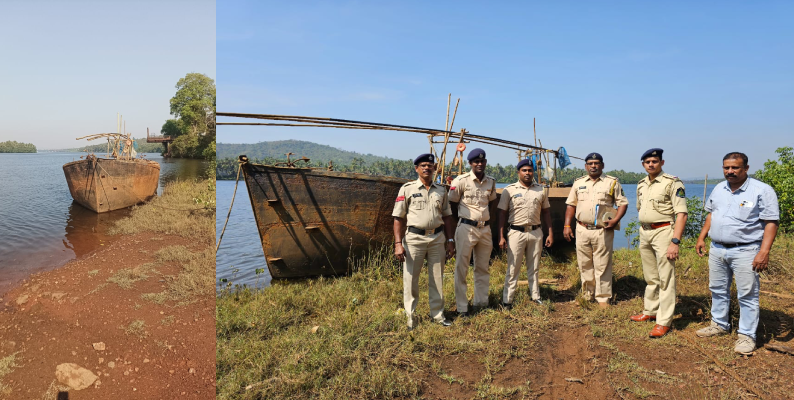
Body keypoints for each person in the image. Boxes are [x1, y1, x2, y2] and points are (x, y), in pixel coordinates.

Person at [695, 152, 779, 355]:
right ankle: (719, 324)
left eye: (735, 168)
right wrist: (701, 237)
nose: (730, 171)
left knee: (747, 294)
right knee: (717, 288)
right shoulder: (719, 188)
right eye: (726, 168)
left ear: (746, 168)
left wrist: (764, 251)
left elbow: (771, 222)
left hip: (747, 250)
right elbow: (711, 214)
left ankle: (747, 335)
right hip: (717, 248)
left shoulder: (762, 190)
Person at [393, 153, 456, 330]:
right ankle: (411, 317)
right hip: (414, 239)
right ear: (416, 169)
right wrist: (398, 244)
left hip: (437, 238)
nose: (427, 168)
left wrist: (450, 240)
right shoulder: (407, 189)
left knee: (437, 278)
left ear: (435, 168)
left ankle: (437, 315)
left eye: (430, 165)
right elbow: (398, 218)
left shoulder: (441, 190)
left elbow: (448, 216)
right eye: (423, 165)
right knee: (411, 278)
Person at [629, 148, 688, 338]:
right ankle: (650, 311)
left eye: (655, 161)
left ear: (662, 163)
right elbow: (640, 208)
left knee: (666, 278)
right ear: (643, 165)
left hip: (664, 231)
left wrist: (675, 241)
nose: (651, 164)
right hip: (645, 231)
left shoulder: (672, 183)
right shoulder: (641, 184)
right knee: (650, 276)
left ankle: (664, 321)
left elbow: (681, 214)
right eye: (647, 162)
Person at [563, 152, 628, 308]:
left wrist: (616, 220)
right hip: (582, 229)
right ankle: (588, 294)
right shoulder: (578, 183)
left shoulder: (612, 183)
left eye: (597, 163)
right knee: (584, 263)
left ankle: (603, 298)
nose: (593, 166)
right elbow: (571, 205)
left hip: (602, 230)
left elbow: (622, 204)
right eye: (590, 163)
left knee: (602, 264)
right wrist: (567, 225)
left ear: (602, 165)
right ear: (586, 166)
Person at [448, 148, 497, 316]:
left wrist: (488, 221)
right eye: (476, 161)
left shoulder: (491, 182)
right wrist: (460, 222)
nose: (480, 164)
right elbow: (452, 205)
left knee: (482, 267)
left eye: (482, 161)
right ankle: (462, 307)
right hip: (466, 228)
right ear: (470, 163)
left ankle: (481, 302)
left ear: (485, 162)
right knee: (462, 268)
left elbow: (492, 203)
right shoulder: (461, 181)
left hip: (485, 229)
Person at [498, 158, 553, 308]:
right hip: (516, 232)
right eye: (524, 170)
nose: (527, 173)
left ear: (533, 172)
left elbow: (546, 212)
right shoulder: (509, 190)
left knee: (534, 266)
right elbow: (502, 214)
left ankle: (535, 296)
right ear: (518, 172)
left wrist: (550, 233)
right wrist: (501, 236)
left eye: (530, 170)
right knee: (513, 267)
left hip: (536, 232)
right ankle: (507, 300)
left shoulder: (540, 190)